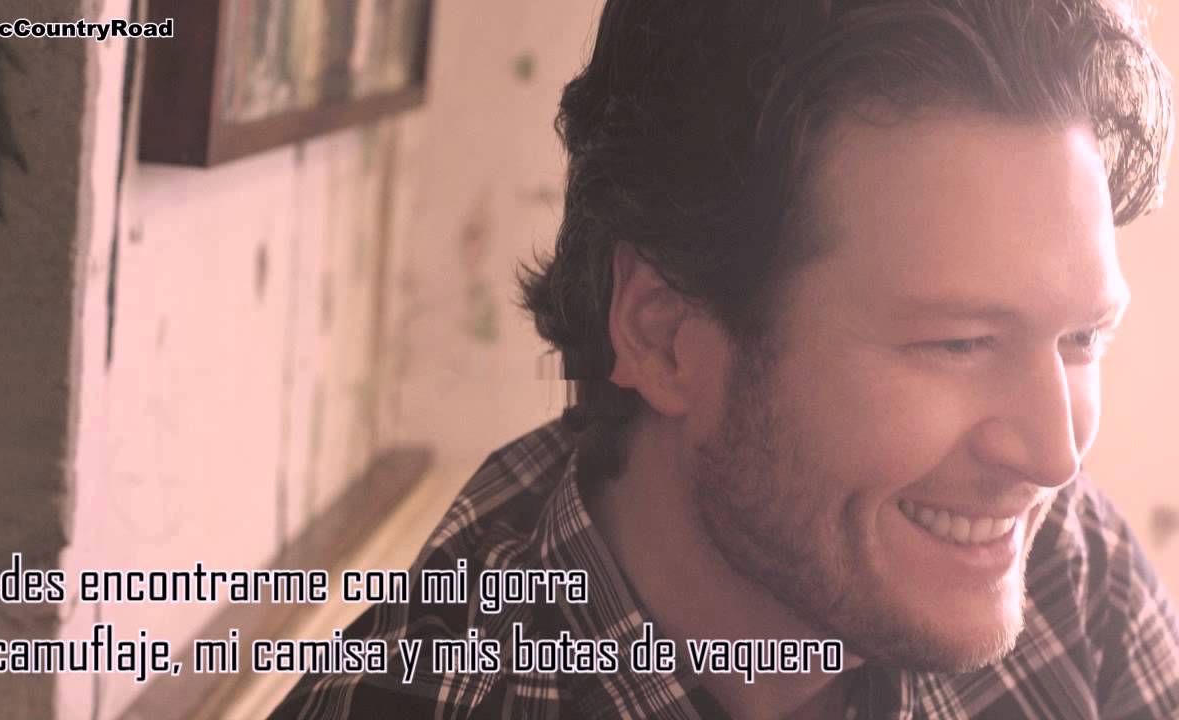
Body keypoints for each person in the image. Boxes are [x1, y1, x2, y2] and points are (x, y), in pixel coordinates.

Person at [271, 0, 1179, 717]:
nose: (1054, 458)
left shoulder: (1073, 574)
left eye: (1081, 339)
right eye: (960, 343)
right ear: (664, 336)